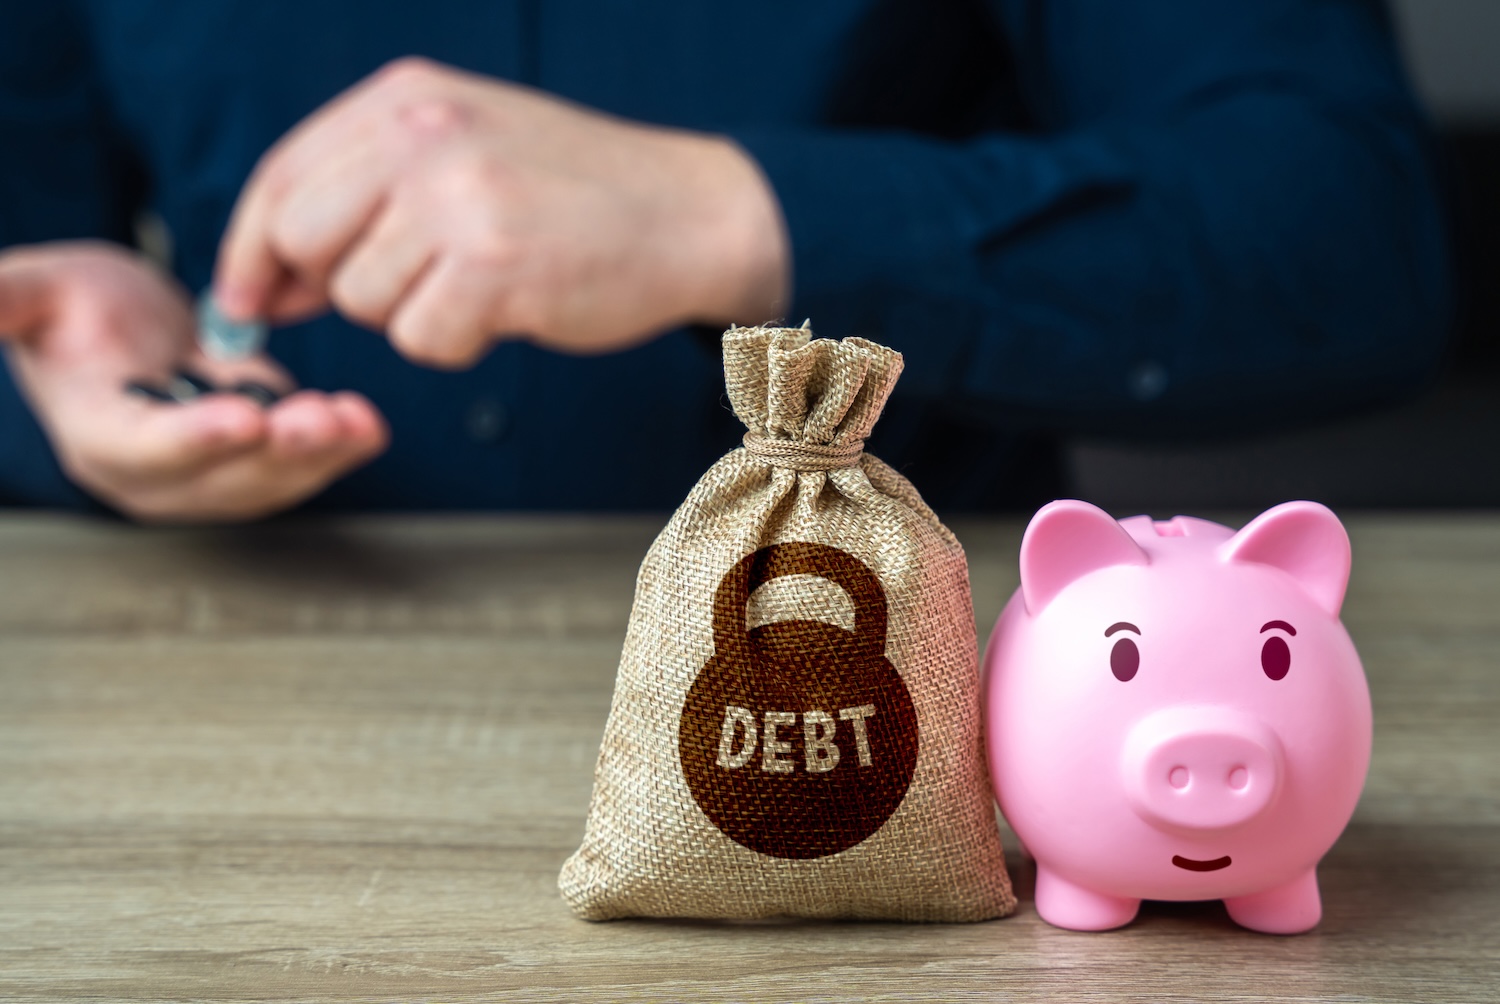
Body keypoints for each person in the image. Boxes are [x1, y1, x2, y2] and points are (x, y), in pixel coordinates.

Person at [0, 1, 1451, 520]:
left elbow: (1345, 231)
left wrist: (725, 218)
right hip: (215, 722)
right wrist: (61, 402)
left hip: (901, 739)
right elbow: (35, 259)